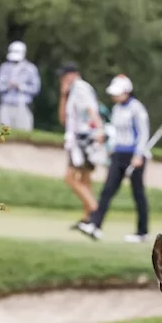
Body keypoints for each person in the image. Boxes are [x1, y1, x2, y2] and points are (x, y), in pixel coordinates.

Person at [80, 75, 151, 242]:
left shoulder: (136, 108)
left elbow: (143, 133)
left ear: (127, 92)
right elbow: (116, 132)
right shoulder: (117, 109)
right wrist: (110, 149)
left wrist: (138, 154)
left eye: (118, 93)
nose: (114, 96)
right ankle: (95, 225)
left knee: (138, 193)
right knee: (107, 190)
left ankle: (142, 232)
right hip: (118, 154)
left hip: (134, 155)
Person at [58, 63, 105, 233]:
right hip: (80, 139)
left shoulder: (80, 87)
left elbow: (91, 110)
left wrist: (99, 130)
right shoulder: (72, 92)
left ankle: (95, 211)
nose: (63, 78)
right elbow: (63, 119)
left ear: (74, 74)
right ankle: (87, 218)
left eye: (66, 75)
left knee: (70, 178)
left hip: (83, 140)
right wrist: (63, 95)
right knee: (85, 179)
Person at [0, 41, 40, 130]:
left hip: (23, 105)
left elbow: (36, 88)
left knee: (23, 131)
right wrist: (8, 86)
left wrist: (21, 86)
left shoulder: (30, 68)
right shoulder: (4, 67)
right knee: (3, 131)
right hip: (5, 104)